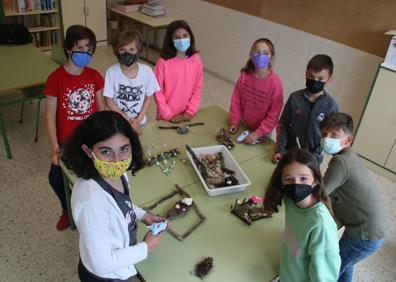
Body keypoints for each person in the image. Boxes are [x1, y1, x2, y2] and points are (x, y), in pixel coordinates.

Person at [62, 111, 165, 281]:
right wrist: (146, 247)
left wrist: (143, 215)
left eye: (124, 149)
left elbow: (121, 205)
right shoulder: (91, 203)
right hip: (108, 276)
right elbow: (101, 264)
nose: (117, 160)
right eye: (106, 151)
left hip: (118, 262)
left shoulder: (117, 174)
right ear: (88, 151)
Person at [44, 25, 105, 230]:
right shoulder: (55, 79)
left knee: (95, 178)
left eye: (89, 50)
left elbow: (101, 109)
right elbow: (50, 115)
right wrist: (54, 147)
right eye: (80, 48)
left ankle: (93, 212)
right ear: (69, 48)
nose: (85, 53)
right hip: (66, 142)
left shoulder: (95, 76)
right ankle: (66, 208)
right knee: (55, 178)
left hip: (91, 141)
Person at [320, 112, 387, 282]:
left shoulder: (340, 163)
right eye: (324, 134)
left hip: (364, 235)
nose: (327, 139)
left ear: (348, 140)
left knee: (331, 268)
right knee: (345, 264)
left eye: (334, 135)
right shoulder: (348, 156)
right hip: (370, 230)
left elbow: (320, 193)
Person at [264, 149, 341, 281]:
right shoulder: (290, 200)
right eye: (288, 179)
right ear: (281, 182)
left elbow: (323, 277)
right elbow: (293, 233)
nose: (296, 185)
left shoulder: (321, 225)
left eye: (303, 178)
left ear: (316, 180)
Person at [272, 54, 338, 163]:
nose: (315, 81)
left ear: (329, 80)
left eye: (320, 78)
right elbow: (282, 125)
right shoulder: (294, 98)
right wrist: (280, 150)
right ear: (306, 73)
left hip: (313, 159)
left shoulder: (331, 106)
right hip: (289, 153)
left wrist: (314, 157)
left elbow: (329, 138)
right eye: (311, 76)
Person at [229, 38, 284, 144]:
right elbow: (236, 100)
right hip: (243, 124)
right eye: (257, 52)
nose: (261, 56)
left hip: (263, 131)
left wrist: (258, 133)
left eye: (265, 53)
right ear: (251, 55)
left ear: (272, 57)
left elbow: (273, 115)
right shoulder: (245, 75)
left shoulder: (275, 84)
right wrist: (234, 121)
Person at [104, 30, 160, 134]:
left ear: (138, 51)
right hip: (119, 122)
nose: (127, 53)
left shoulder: (147, 71)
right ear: (117, 51)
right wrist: (128, 121)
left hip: (140, 122)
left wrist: (138, 120)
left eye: (131, 49)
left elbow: (148, 98)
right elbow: (108, 101)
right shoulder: (111, 72)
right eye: (122, 49)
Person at [154, 20, 203, 123]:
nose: (182, 40)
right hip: (166, 117)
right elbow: (157, 92)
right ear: (170, 40)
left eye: (185, 36)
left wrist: (191, 110)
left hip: (187, 115)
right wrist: (169, 115)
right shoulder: (162, 63)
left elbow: (197, 88)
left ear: (191, 37)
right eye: (177, 37)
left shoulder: (196, 60)